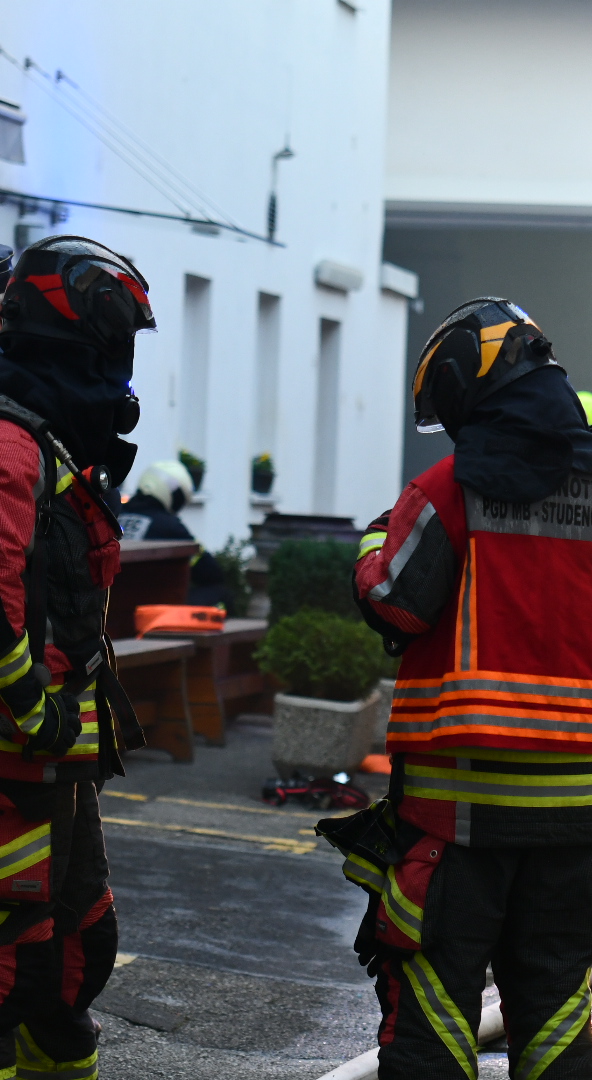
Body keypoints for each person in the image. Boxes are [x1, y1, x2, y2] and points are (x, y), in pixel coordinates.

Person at [339, 297, 592, 1078]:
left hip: (451, 827)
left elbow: (392, 600)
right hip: (570, 832)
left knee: (433, 1019)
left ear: (469, 387)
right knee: (557, 1022)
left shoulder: (447, 490)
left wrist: (372, 536)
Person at [0, 236, 154, 1078]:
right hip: (22, 748)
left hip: (58, 753)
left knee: (76, 957)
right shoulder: (12, 444)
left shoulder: (51, 442)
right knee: (11, 969)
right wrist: (36, 709)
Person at [118, 461, 231, 609]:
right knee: (221, 593)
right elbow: (210, 572)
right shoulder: (170, 526)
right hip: (151, 607)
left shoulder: (115, 515)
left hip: (110, 603)